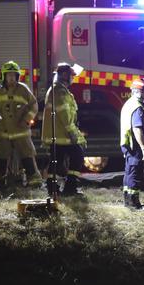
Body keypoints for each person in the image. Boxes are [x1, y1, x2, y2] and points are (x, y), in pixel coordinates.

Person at [0, 61, 42, 188]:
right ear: (4, 76)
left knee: (27, 154)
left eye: (14, 75)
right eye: (8, 75)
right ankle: (0, 180)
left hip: (21, 131)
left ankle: (34, 181)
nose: (11, 78)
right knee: (0, 155)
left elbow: (34, 105)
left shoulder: (23, 89)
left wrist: (27, 119)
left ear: (18, 76)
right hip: (5, 133)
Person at [41, 63, 86, 196]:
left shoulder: (60, 90)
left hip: (60, 135)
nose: (73, 78)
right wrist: (72, 132)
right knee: (75, 156)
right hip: (61, 135)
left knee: (57, 161)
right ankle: (67, 188)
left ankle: (55, 189)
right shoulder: (59, 91)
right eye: (72, 75)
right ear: (65, 75)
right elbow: (64, 115)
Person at [120, 78, 144, 209]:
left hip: (128, 144)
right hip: (135, 145)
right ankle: (134, 204)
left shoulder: (129, 103)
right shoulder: (138, 107)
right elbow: (137, 128)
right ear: (140, 91)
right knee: (134, 173)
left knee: (129, 172)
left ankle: (128, 201)